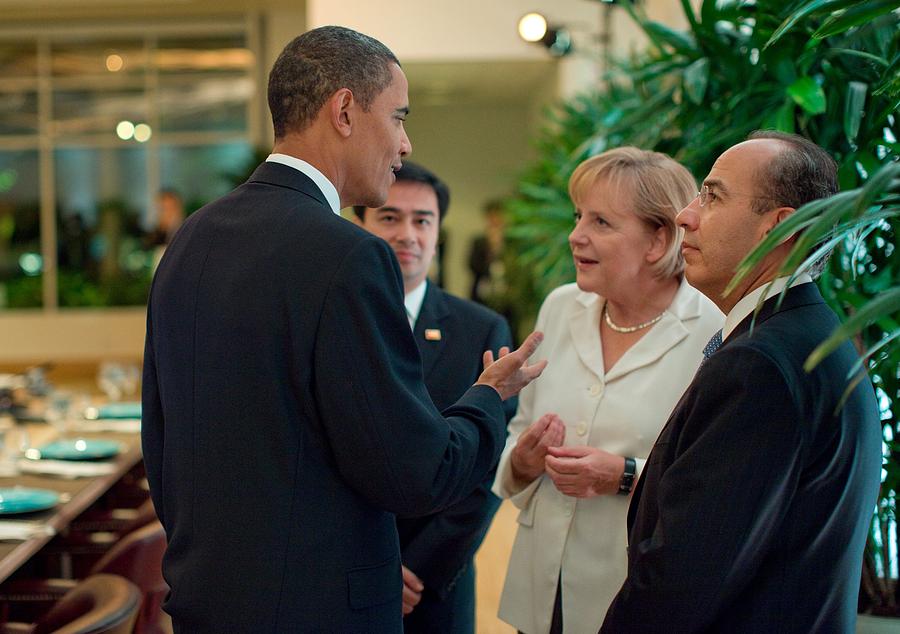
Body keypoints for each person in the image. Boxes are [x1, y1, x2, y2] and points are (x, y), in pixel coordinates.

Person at [141, 26, 546, 633]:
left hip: (207, 598)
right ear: (346, 111)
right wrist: (488, 398)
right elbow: (413, 470)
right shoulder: (348, 255)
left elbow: (162, 437)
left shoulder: (191, 240)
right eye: (400, 117)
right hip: (319, 609)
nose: (405, 144)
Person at [601, 131, 882, 632]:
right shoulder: (814, 337)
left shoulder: (762, 365)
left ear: (781, 229)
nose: (686, 215)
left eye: (712, 196)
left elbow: (684, 580)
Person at [492, 147, 724, 634]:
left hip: (630, 595)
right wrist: (523, 459)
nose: (575, 235)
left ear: (658, 240)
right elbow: (517, 432)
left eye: (600, 222)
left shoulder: (714, 329)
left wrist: (623, 476)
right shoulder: (560, 306)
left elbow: (711, 487)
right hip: (540, 588)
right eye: (579, 216)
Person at [354, 160, 516, 634]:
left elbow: (487, 463)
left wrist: (418, 567)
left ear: (438, 231)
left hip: (435, 581)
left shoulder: (481, 329)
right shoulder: (332, 321)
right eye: (389, 217)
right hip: (345, 573)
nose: (408, 233)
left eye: (422, 220)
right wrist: (366, 562)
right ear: (360, 226)